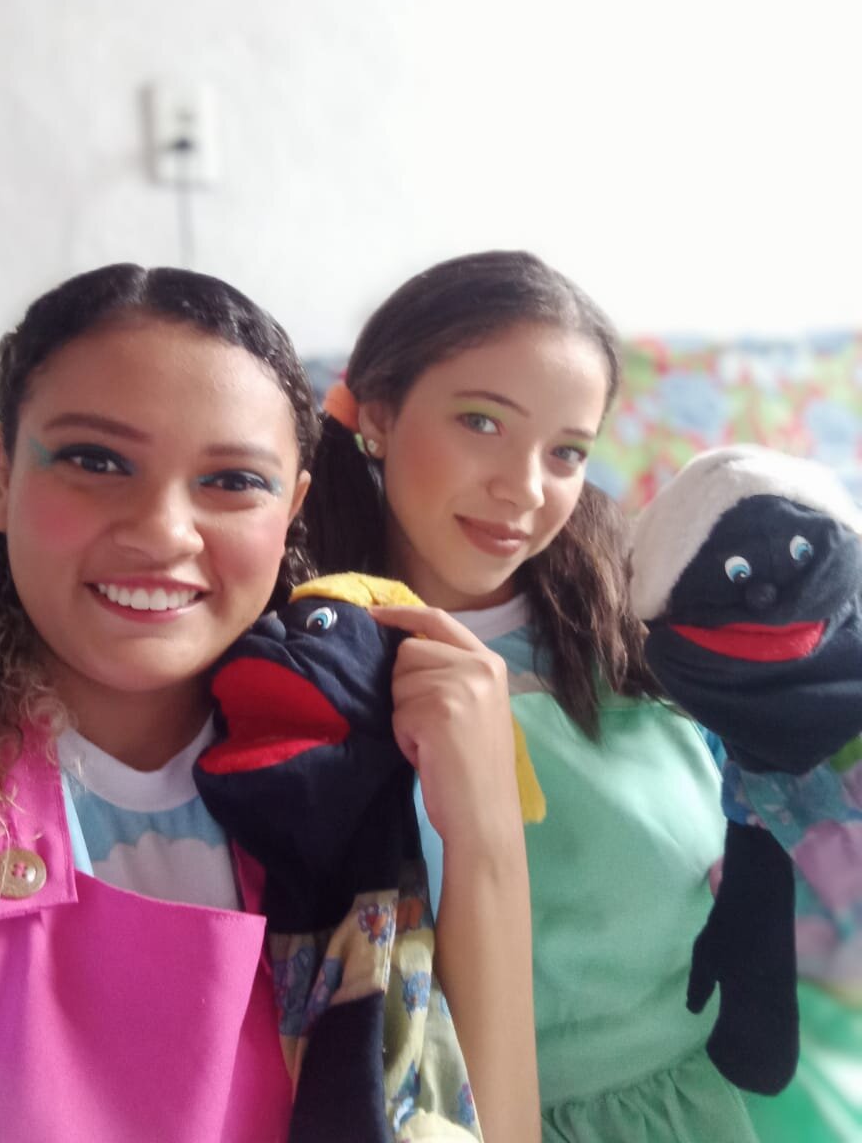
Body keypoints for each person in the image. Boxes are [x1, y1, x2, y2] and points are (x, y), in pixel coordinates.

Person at [304, 249, 761, 1143]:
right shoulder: (307, 655)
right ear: (380, 415)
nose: (524, 488)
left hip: (693, 1112)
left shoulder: (645, 634)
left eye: (567, 452)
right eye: (481, 422)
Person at [0, 264, 318, 1142]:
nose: (162, 530)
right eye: (96, 461)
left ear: (292, 511)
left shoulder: (344, 788)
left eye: (234, 480)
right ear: (4, 473)